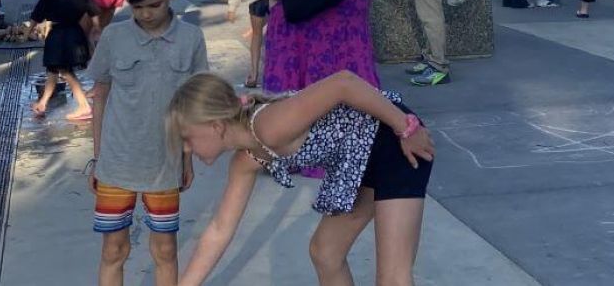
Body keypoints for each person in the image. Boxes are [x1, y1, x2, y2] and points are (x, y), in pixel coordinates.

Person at [167, 71, 435, 286]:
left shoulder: (269, 126)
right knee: (325, 252)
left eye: (187, 139)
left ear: (216, 126)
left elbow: (344, 83)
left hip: (394, 141)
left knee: (392, 278)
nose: (187, 149)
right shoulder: (245, 159)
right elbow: (218, 230)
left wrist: (405, 127)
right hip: (357, 161)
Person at [86, 0, 209, 286]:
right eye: (137, 6)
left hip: (164, 165)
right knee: (113, 250)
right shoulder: (114, 37)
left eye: (153, 5)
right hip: (116, 165)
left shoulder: (191, 39)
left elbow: (193, 104)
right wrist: (97, 158)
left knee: (166, 251)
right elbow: (99, 98)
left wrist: (187, 157)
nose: (145, 14)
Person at [30, 0, 95, 121]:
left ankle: (84, 105)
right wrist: (96, 32)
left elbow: (38, 13)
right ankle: (43, 102)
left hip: (59, 35)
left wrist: (28, 30)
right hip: (75, 32)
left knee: (64, 70)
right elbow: (92, 10)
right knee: (53, 69)